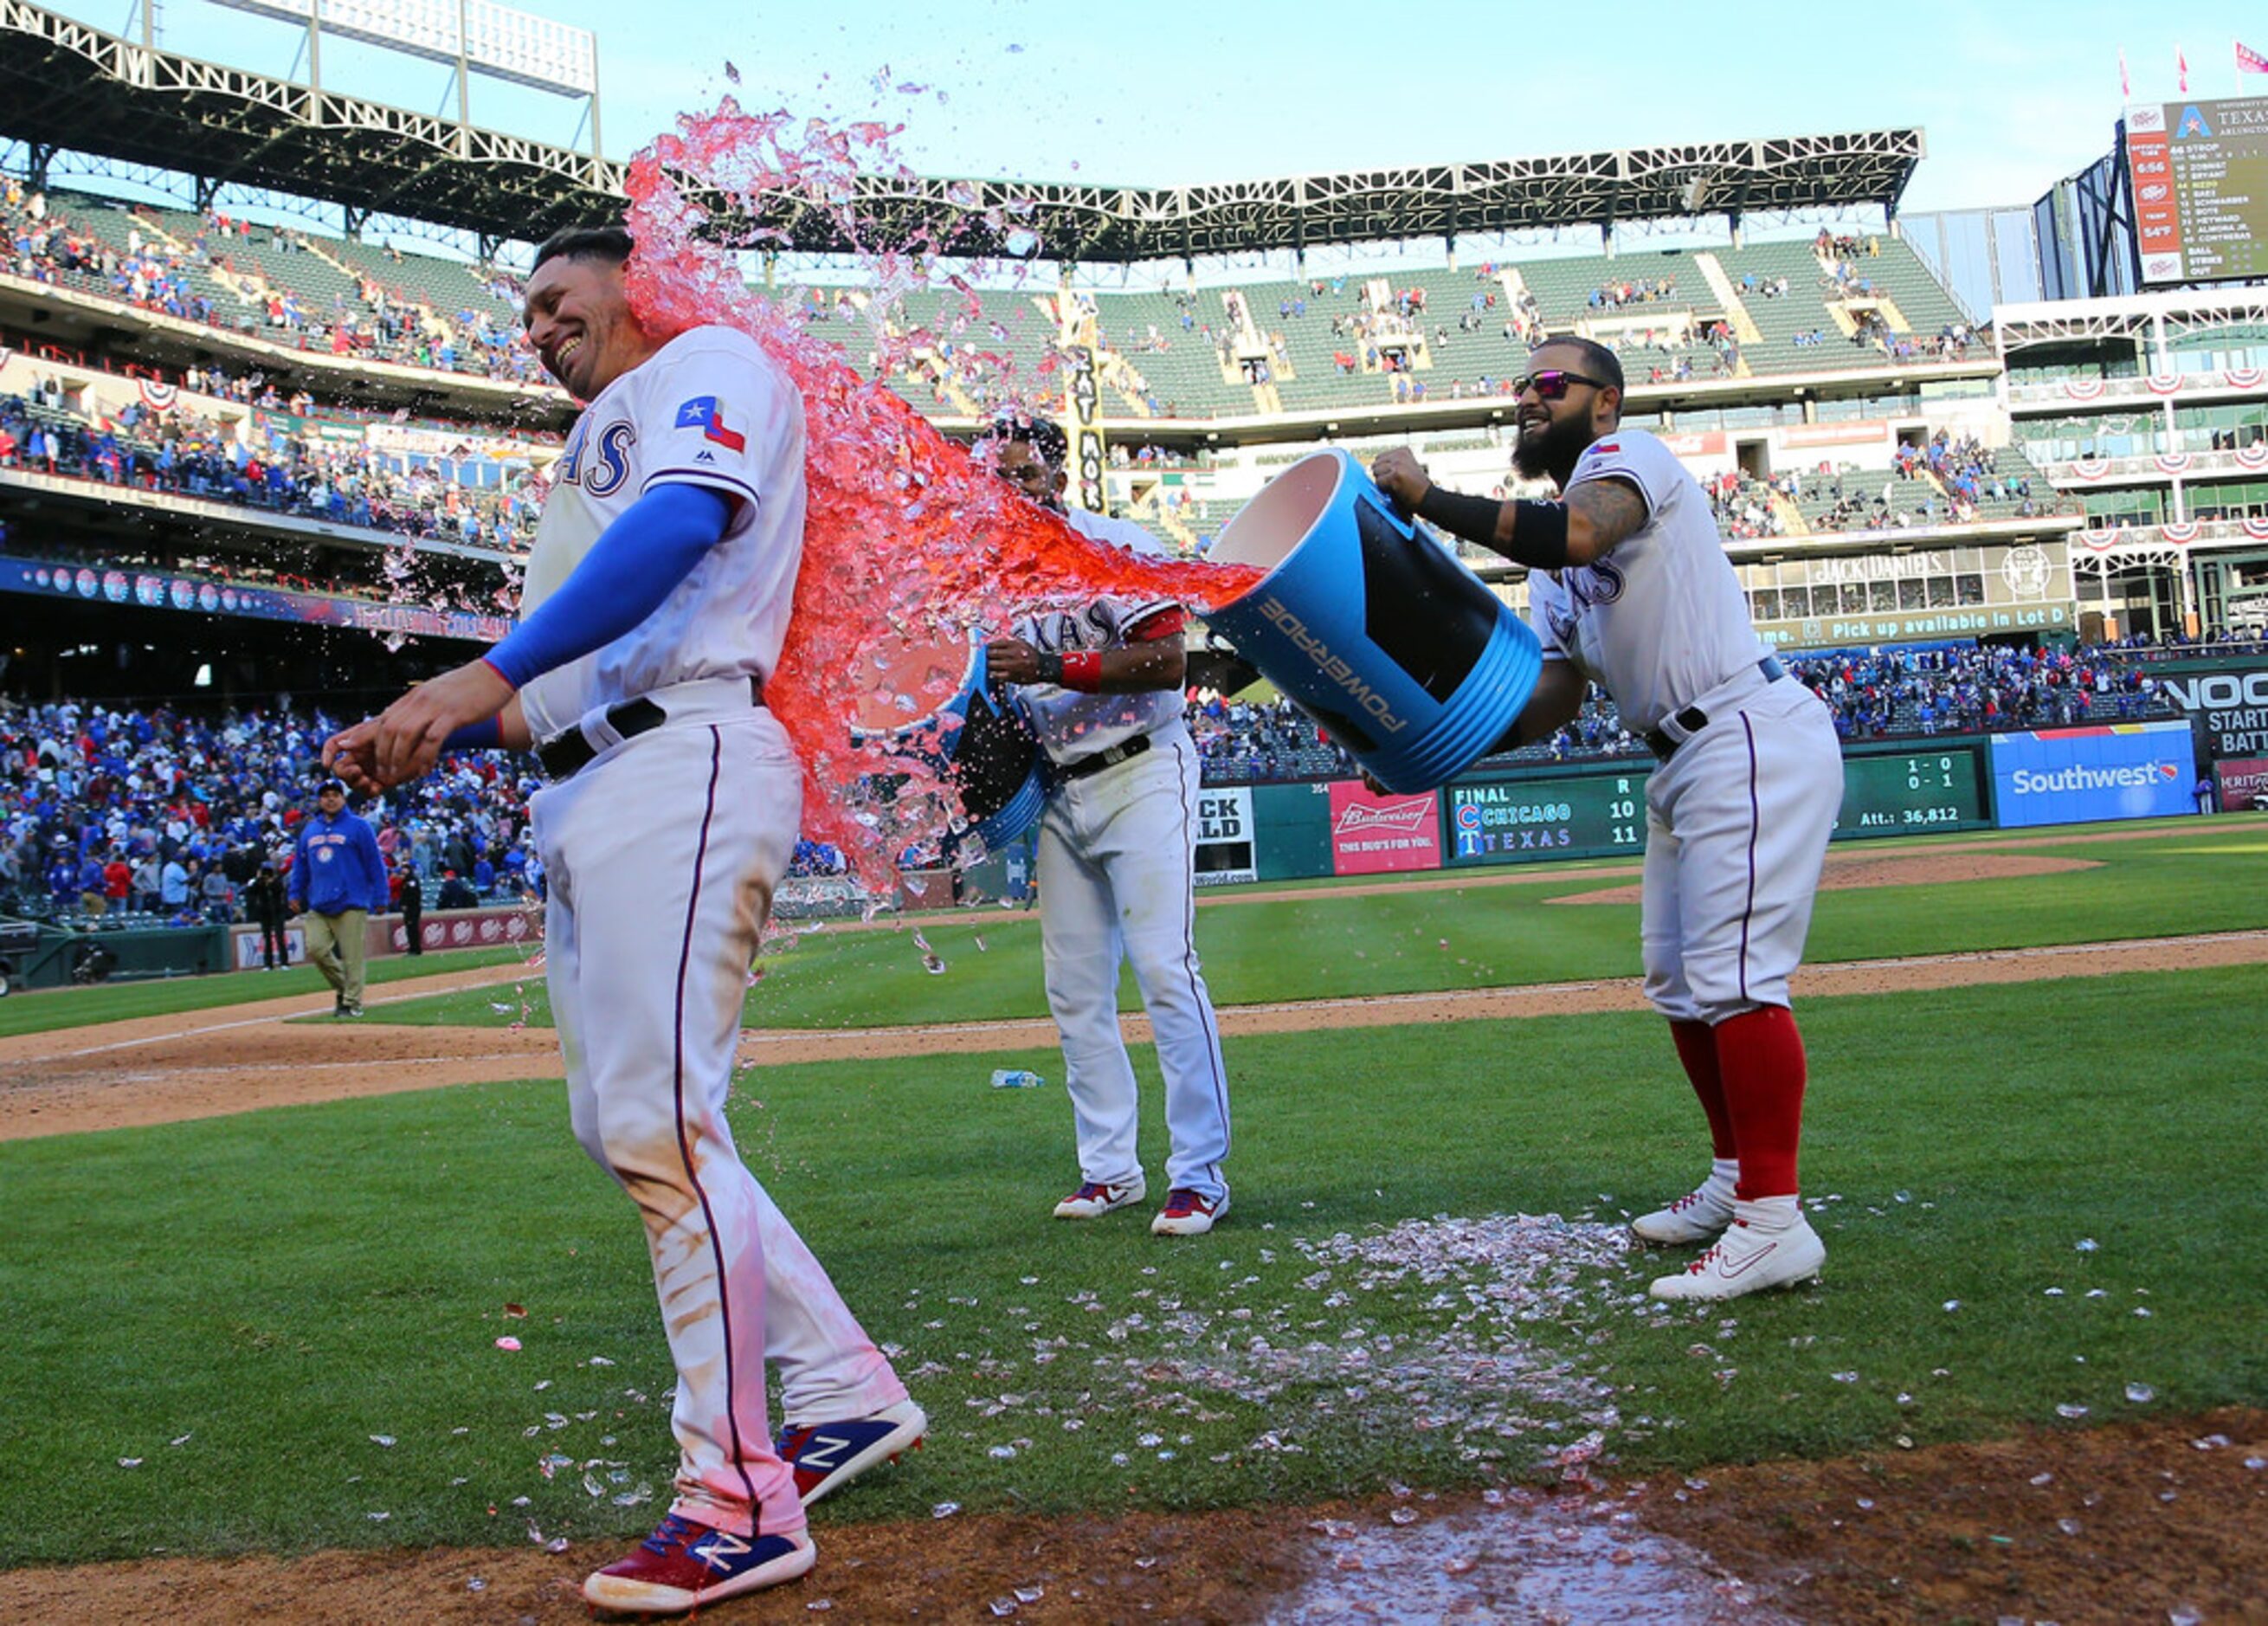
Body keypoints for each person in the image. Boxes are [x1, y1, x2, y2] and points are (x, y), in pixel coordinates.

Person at [323, 224, 924, 1617]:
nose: (533, 328)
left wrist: (477, 673)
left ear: (635, 289)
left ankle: (738, 1498)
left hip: (689, 755)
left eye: (555, 298)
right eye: (522, 313)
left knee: (661, 1122)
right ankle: (839, 1386)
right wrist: (436, 724)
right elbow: (565, 679)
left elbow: (679, 526)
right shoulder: (600, 440)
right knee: (625, 1125)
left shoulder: (707, 361)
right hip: (596, 772)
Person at [1371, 336, 1843, 1303]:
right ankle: (1734, 1182)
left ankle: (1774, 1222)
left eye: (1554, 384)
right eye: (1520, 389)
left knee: (1737, 978)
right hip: (1682, 755)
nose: (1531, 399)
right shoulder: (1544, 568)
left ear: (1608, 404)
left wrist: (1427, 500)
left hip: (1744, 728)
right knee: (1681, 985)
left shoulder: (1630, 463)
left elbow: (1579, 532)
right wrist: (1429, 751)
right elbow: (1553, 697)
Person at [979, 412, 1234, 1239]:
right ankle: (1110, 1171)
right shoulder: (990, 574)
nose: (1008, 488)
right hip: (1059, 789)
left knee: (1166, 970)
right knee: (1076, 995)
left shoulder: (1108, 545)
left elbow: (1169, 661)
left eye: (1021, 473)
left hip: (1142, 768)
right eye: (997, 475)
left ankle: (1198, 1176)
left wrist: (1049, 665)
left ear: (1058, 476)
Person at [287, 777, 387, 1017]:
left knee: (352, 958)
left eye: (335, 794)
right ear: (320, 800)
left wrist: (381, 896)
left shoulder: (358, 827)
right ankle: (344, 989)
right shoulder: (310, 830)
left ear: (343, 798)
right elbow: (301, 866)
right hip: (319, 902)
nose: (330, 799)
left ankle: (351, 1004)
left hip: (351, 901)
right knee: (316, 948)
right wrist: (295, 892)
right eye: (325, 795)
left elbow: (375, 863)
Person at [248, 860, 292, 970]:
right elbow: (251, 891)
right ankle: (268, 964)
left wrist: (271, 882)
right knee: (267, 938)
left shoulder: (277, 881)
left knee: (280, 937)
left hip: (277, 911)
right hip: (265, 912)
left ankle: (284, 963)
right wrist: (259, 880)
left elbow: (280, 890)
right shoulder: (258, 883)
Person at [398, 865, 424, 955]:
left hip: (413, 908)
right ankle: (412, 947)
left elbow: (413, 894)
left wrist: (406, 904)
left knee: (413, 927)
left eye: (405, 869)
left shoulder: (412, 880)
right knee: (409, 928)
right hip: (409, 908)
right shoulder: (405, 881)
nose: (403, 871)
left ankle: (415, 948)